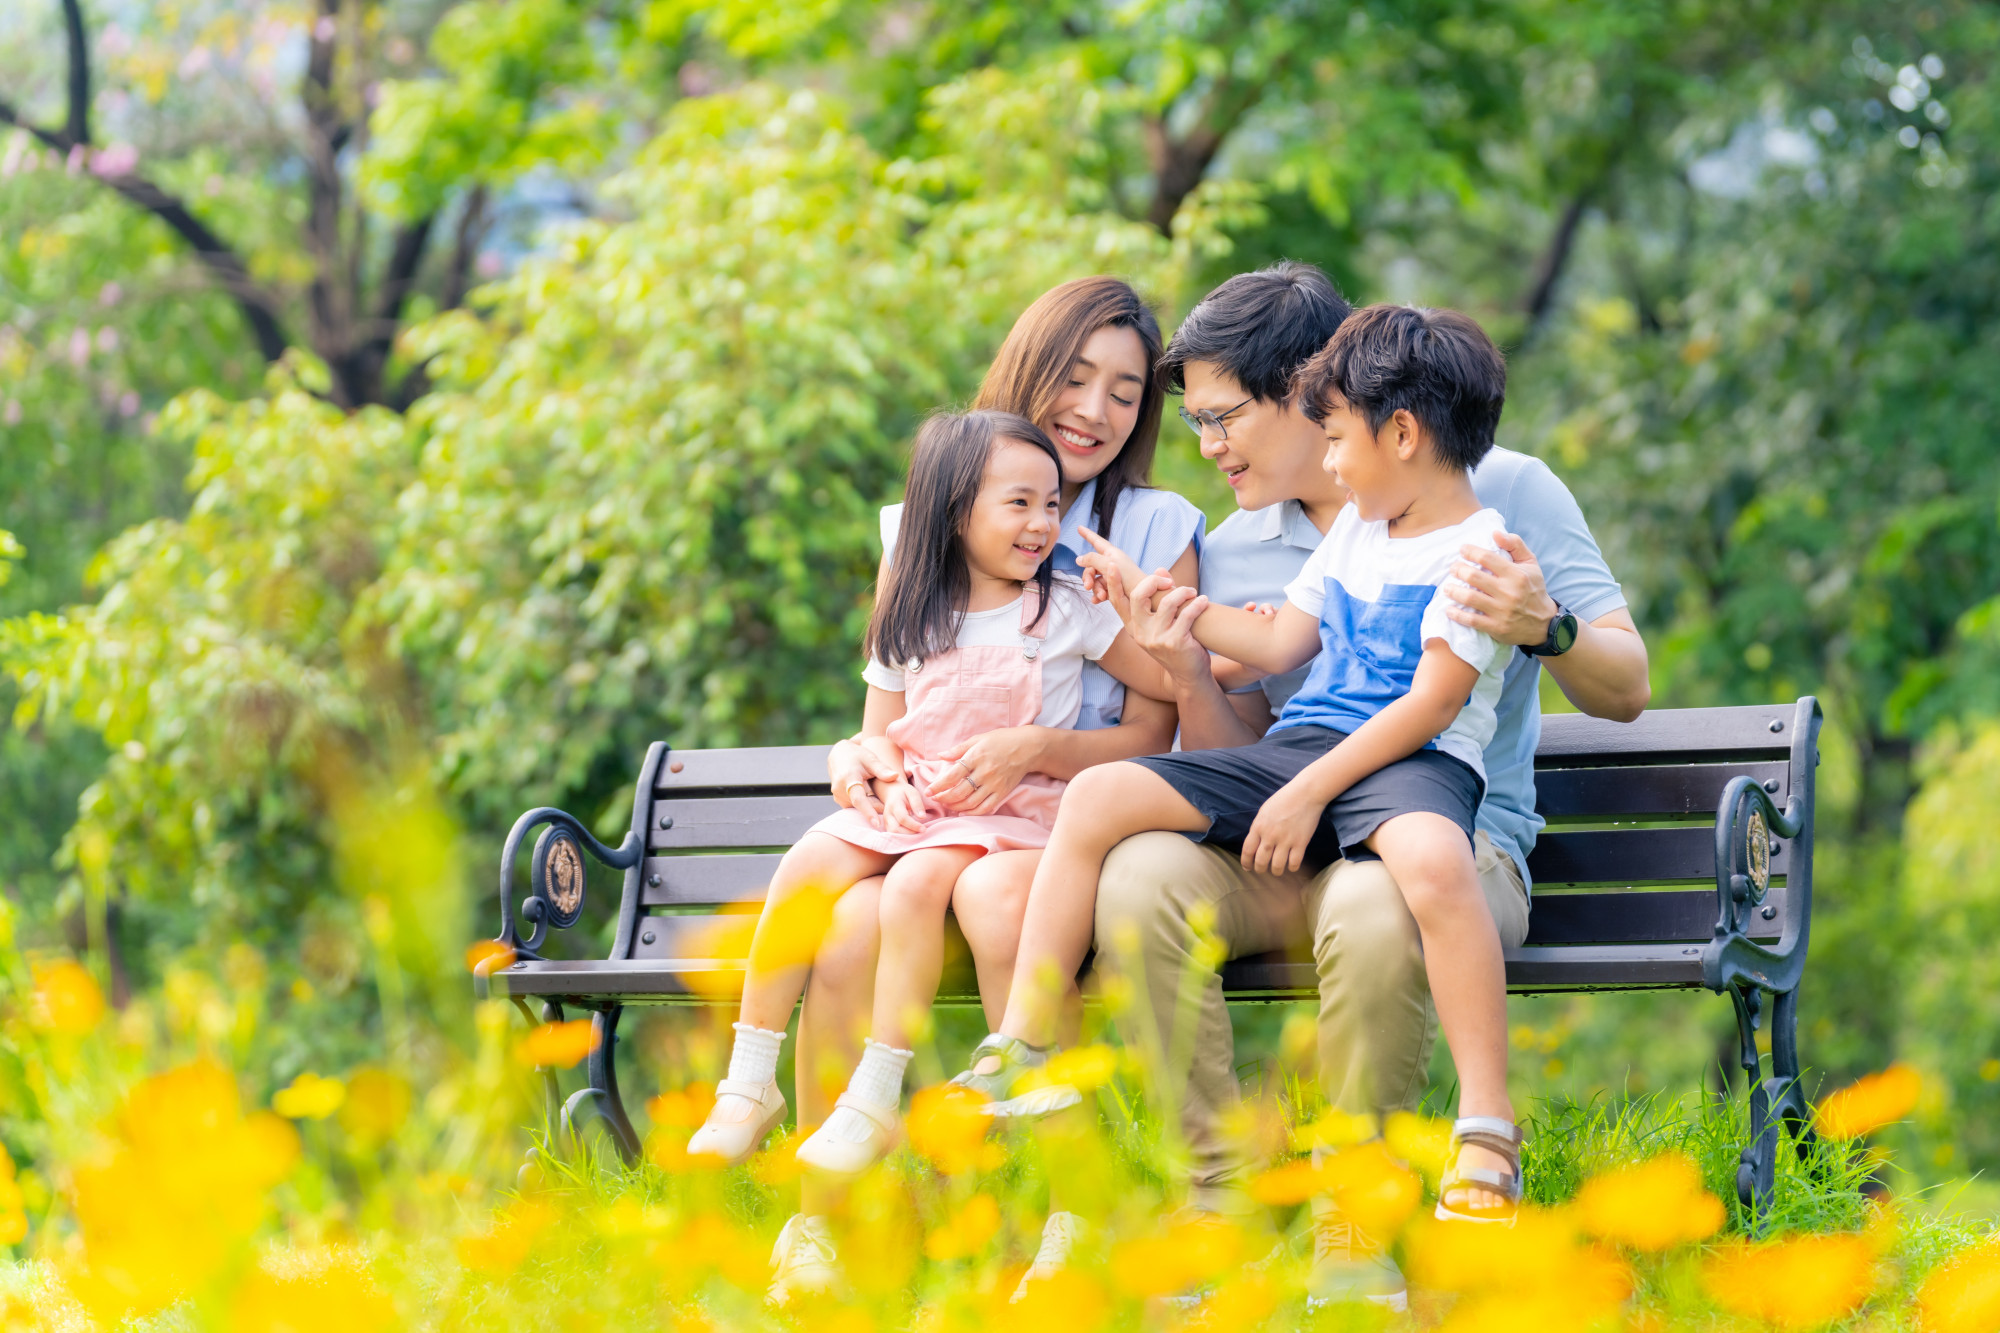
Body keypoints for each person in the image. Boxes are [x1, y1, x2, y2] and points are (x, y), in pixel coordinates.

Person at [1065, 264, 1651, 1308]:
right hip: (1294, 829)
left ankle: (1355, 1221)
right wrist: (1191, 666)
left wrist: (1542, 624)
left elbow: (1624, 686)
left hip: (1447, 844)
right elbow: (1238, 751)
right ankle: (1216, 1202)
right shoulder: (1242, 542)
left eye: (1223, 416)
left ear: (1310, 388)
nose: (1209, 447)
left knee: (1376, 898)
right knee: (1141, 872)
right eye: (1192, 423)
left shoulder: (1502, 489)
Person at [974, 303, 1528, 1232]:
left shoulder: (1482, 550)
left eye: (1340, 438)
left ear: (1402, 434)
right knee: (1107, 796)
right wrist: (1159, 608)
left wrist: (1310, 788)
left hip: (1414, 761)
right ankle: (1026, 1036)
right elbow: (1277, 646)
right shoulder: (1360, 527)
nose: (1331, 459)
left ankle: (1486, 1124)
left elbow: (1430, 705)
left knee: (1431, 864)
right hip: (1306, 745)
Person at [767, 278, 1204, 1303]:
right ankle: (820, 1219)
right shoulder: (925, 516)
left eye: (1127, 391)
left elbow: (1168, 724)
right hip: (933, 823)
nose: (1095, 410)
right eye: (1075, 376)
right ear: (1027, 370)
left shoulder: (1155, 524)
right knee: (844, 924)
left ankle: (1069, 1214)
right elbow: (890, 713)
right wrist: (853, 757)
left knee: (994, 899)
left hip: (1059, 827)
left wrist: (1038, 749)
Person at [684, 411, 1174, 1286]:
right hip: (921, 809)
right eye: (1019, 503)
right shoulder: (912, 608)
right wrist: (874, 769)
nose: (1041, 523)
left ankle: (884, 1093)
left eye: (1050, 504)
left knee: (913, 886)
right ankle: (750, 1081)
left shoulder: (1060, 606)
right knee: (809, 870)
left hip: (1009, 818)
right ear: (952, 512)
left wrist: (1057, 719)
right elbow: (878, 738)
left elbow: (1160, 705)